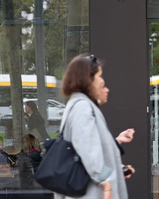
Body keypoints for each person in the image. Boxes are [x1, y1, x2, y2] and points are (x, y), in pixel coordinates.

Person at [54, 54, 131, 199]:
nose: (102, 81)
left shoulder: (78, 104)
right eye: (100, 76)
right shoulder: (82, 106)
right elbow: (88, 151)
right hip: (92, 193)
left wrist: (115, 169)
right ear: (88, 79)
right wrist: (106, 182)